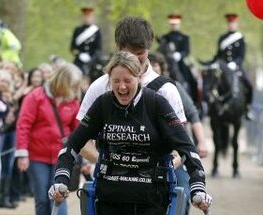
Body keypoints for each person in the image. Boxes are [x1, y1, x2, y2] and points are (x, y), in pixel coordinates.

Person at [48, 51, 212, 215]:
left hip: (151, 201)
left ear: (139, 78)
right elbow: (71, 146)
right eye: (116, 81)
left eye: (128, 80)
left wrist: (198, 187)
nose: (122, 87)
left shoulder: (157, 104)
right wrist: (60, 179)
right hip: (111, 200)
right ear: (109, 80)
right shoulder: (103, 104)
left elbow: (188, 150)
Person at [77, 16, 186, 164]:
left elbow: (181, 145)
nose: (134, 59)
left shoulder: (166, 89)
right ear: (118, 47)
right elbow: (80, 140)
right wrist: (104, 164)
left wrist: (163, 169)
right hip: (111, 178)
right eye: (129, 53)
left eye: (140, 53)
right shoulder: (99, 86)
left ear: (149, 46)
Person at [16, 63, 82, 215]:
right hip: (37, 156)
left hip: (61, 156)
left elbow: (78, 131)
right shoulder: (36, 97)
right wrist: (22, 153)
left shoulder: (72, 101)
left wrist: (81, 158)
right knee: (42, 199)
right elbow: (24, 124)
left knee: (59, 194)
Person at [149, 51, 208, 215]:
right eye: (150, 66)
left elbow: (192, 114)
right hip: (151, 153)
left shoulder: (171, 87)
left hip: (178, 151)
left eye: (156, 67)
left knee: (182, 190)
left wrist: (201, 141)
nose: (153, 70)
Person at [214, 13, 254, 120]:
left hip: (236, 67)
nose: (231, 25)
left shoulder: (240, 38)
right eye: (229, 23)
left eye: (233, 23)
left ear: (236, 24)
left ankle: (247, 108)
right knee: (212, 84)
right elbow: (218, 55)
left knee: (249, 86)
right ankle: (211, 108)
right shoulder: (222, 38)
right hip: (223, 68)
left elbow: (241, 56)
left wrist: (234, 64)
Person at [159, 14, 199, 104]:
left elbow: (187, 51)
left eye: (175, 24)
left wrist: (180, 55)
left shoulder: (184, 38)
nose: (174, 26)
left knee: (193, 79)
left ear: (179, 24)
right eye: (172, 24)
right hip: (167, 62)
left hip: (180, 62)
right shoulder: (165, 38)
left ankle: (196, 102)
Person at [70, 7, 102, 76]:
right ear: (82, 17)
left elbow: (98, 48)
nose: (87, 18)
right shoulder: (77, 30)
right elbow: (72, 48)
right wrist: (79, 55)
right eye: (85, 16)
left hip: (93, 61)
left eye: (89, 16)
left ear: (92, 17)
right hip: (79, 61)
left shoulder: (96, 30)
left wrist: (91, 59)